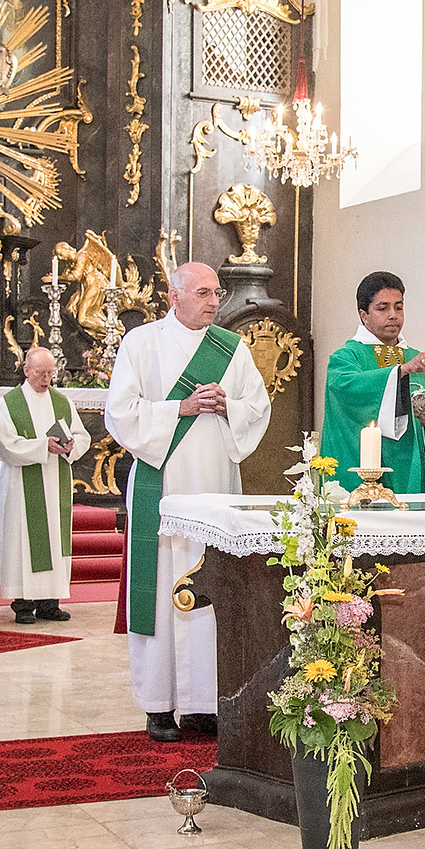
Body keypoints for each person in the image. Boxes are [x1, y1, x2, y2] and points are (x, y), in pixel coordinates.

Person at [106, 262, 272, 742]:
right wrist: (179, 407)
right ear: (174, 296)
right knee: (161, 588)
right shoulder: (141, 343)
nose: (214, 301)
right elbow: (120, 412)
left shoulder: (231, 348)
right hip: (162, 486)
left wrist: (227, 406)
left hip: (215, 481)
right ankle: (158, 705)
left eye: (217, 292)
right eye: (203, 293)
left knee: (212, 584)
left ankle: (205, 704)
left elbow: (258, 408)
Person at [321, 272, 425, 493]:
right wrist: (400, 372)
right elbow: (348, 388)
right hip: (358, 478)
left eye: (398, 308)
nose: (393, 315)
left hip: (410, 474)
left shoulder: (416, 358)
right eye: (383, 308)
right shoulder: (346, 357)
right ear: (364, 315)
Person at [0, 347, 92, 625]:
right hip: (21, 487)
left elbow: (83, 436)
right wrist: (43, 446)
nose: (46, 379)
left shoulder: (62, 402)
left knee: (54, 540)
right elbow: (5, 446)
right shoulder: (8, 403)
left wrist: (71, 446)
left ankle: (50, 603)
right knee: (22, 541)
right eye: (40, 373)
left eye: (50, 373)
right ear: (26, 370)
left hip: (55, 481)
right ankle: (23, 605)